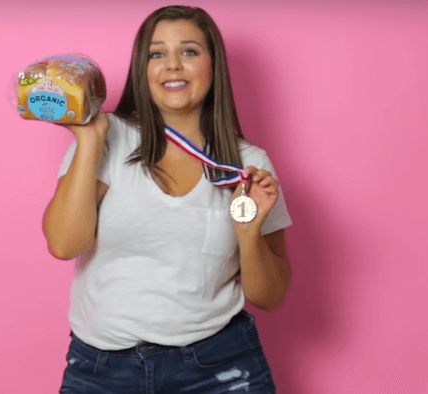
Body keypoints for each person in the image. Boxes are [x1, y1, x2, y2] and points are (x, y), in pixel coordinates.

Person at [42, 5, 292, 394]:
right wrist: (89, 139)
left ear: (213, 65)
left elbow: (270, 296)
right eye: (157, 54)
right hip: (102, 370)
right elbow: (64, 243)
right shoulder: (107, 137)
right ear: (143, 69)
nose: (172, 65)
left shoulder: (248, 165)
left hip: (221, 368)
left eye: (189, 51)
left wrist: (248, 232)